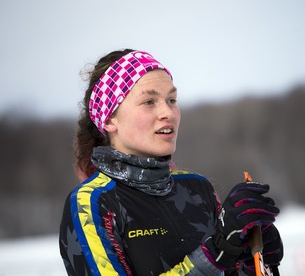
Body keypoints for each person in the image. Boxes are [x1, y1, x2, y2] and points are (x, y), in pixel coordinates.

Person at [59, 49, 283, 276]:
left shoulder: (197, 188)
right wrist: (216, 252)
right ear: (109, 119)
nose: (168, 112)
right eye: (149, 101)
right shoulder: (92, 203)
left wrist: (256, 260)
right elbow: (216, 257)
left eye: (172, 100)